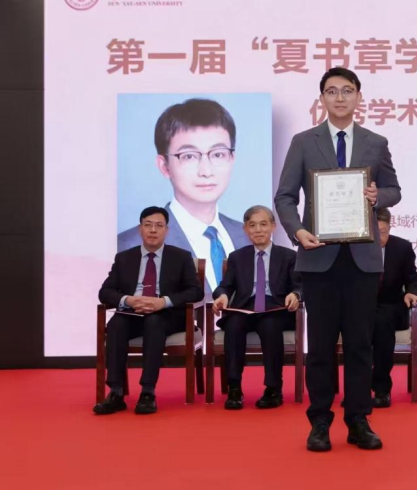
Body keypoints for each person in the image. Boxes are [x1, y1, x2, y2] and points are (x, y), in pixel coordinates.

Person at [275, 67, 401, 452]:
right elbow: (285, 197)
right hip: (318, 258)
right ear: (322, 99)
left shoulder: (375, 143)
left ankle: (358, 419)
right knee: (321, 346)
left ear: (359, 97)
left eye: (347, 91)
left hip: (363, 260)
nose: (340, 97)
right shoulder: (303, 142)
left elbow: (394, 190)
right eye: (332, 91)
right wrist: (297, 231)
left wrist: (378, 196)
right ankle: (319, 421)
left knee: (361, 344)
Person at [118, 98, 250, 291]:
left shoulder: (249, 237)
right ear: (164, 166)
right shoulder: (128, 246)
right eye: (189, 156)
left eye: (218, 154)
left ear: (232, 158)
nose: (206, 171)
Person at [94, 206, 203, 415]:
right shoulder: (124, 258)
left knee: (154, 322)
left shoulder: (181, 257)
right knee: (116, 324)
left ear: (166, 230)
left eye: (159, 226)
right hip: (132, 313)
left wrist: (164, 302)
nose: (153, 230)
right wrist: (128, 300)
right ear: (140, 229)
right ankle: (116, 392)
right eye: (148, 225)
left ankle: (147, 392)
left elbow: (195, 291)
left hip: (167, 315)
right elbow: (105, 292)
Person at [211, 205, 302, 410]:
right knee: (233, 325)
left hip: (276, 309)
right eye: (252, 225)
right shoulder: (237, 257)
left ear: (273, 227)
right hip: (245, 308)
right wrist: (222, 296)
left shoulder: (288, 256)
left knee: (270, 326)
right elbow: (226, 286)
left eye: (263, 224)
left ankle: (273, 389)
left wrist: (296, 295)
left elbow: (299, 285)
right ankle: (234, 388)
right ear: (245, 229)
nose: (258, 230)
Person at [371, 208, 417, 409]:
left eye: (383, 232)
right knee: (357, 325)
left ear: (390, 228)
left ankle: (381, 390)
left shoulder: (402, 247)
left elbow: (412, 277)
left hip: (392, 307)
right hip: (362, 307)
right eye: (374, 232)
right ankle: (357, 389)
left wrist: (412, 292)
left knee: (381, 323)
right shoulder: (355, 248)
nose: (378, 237)